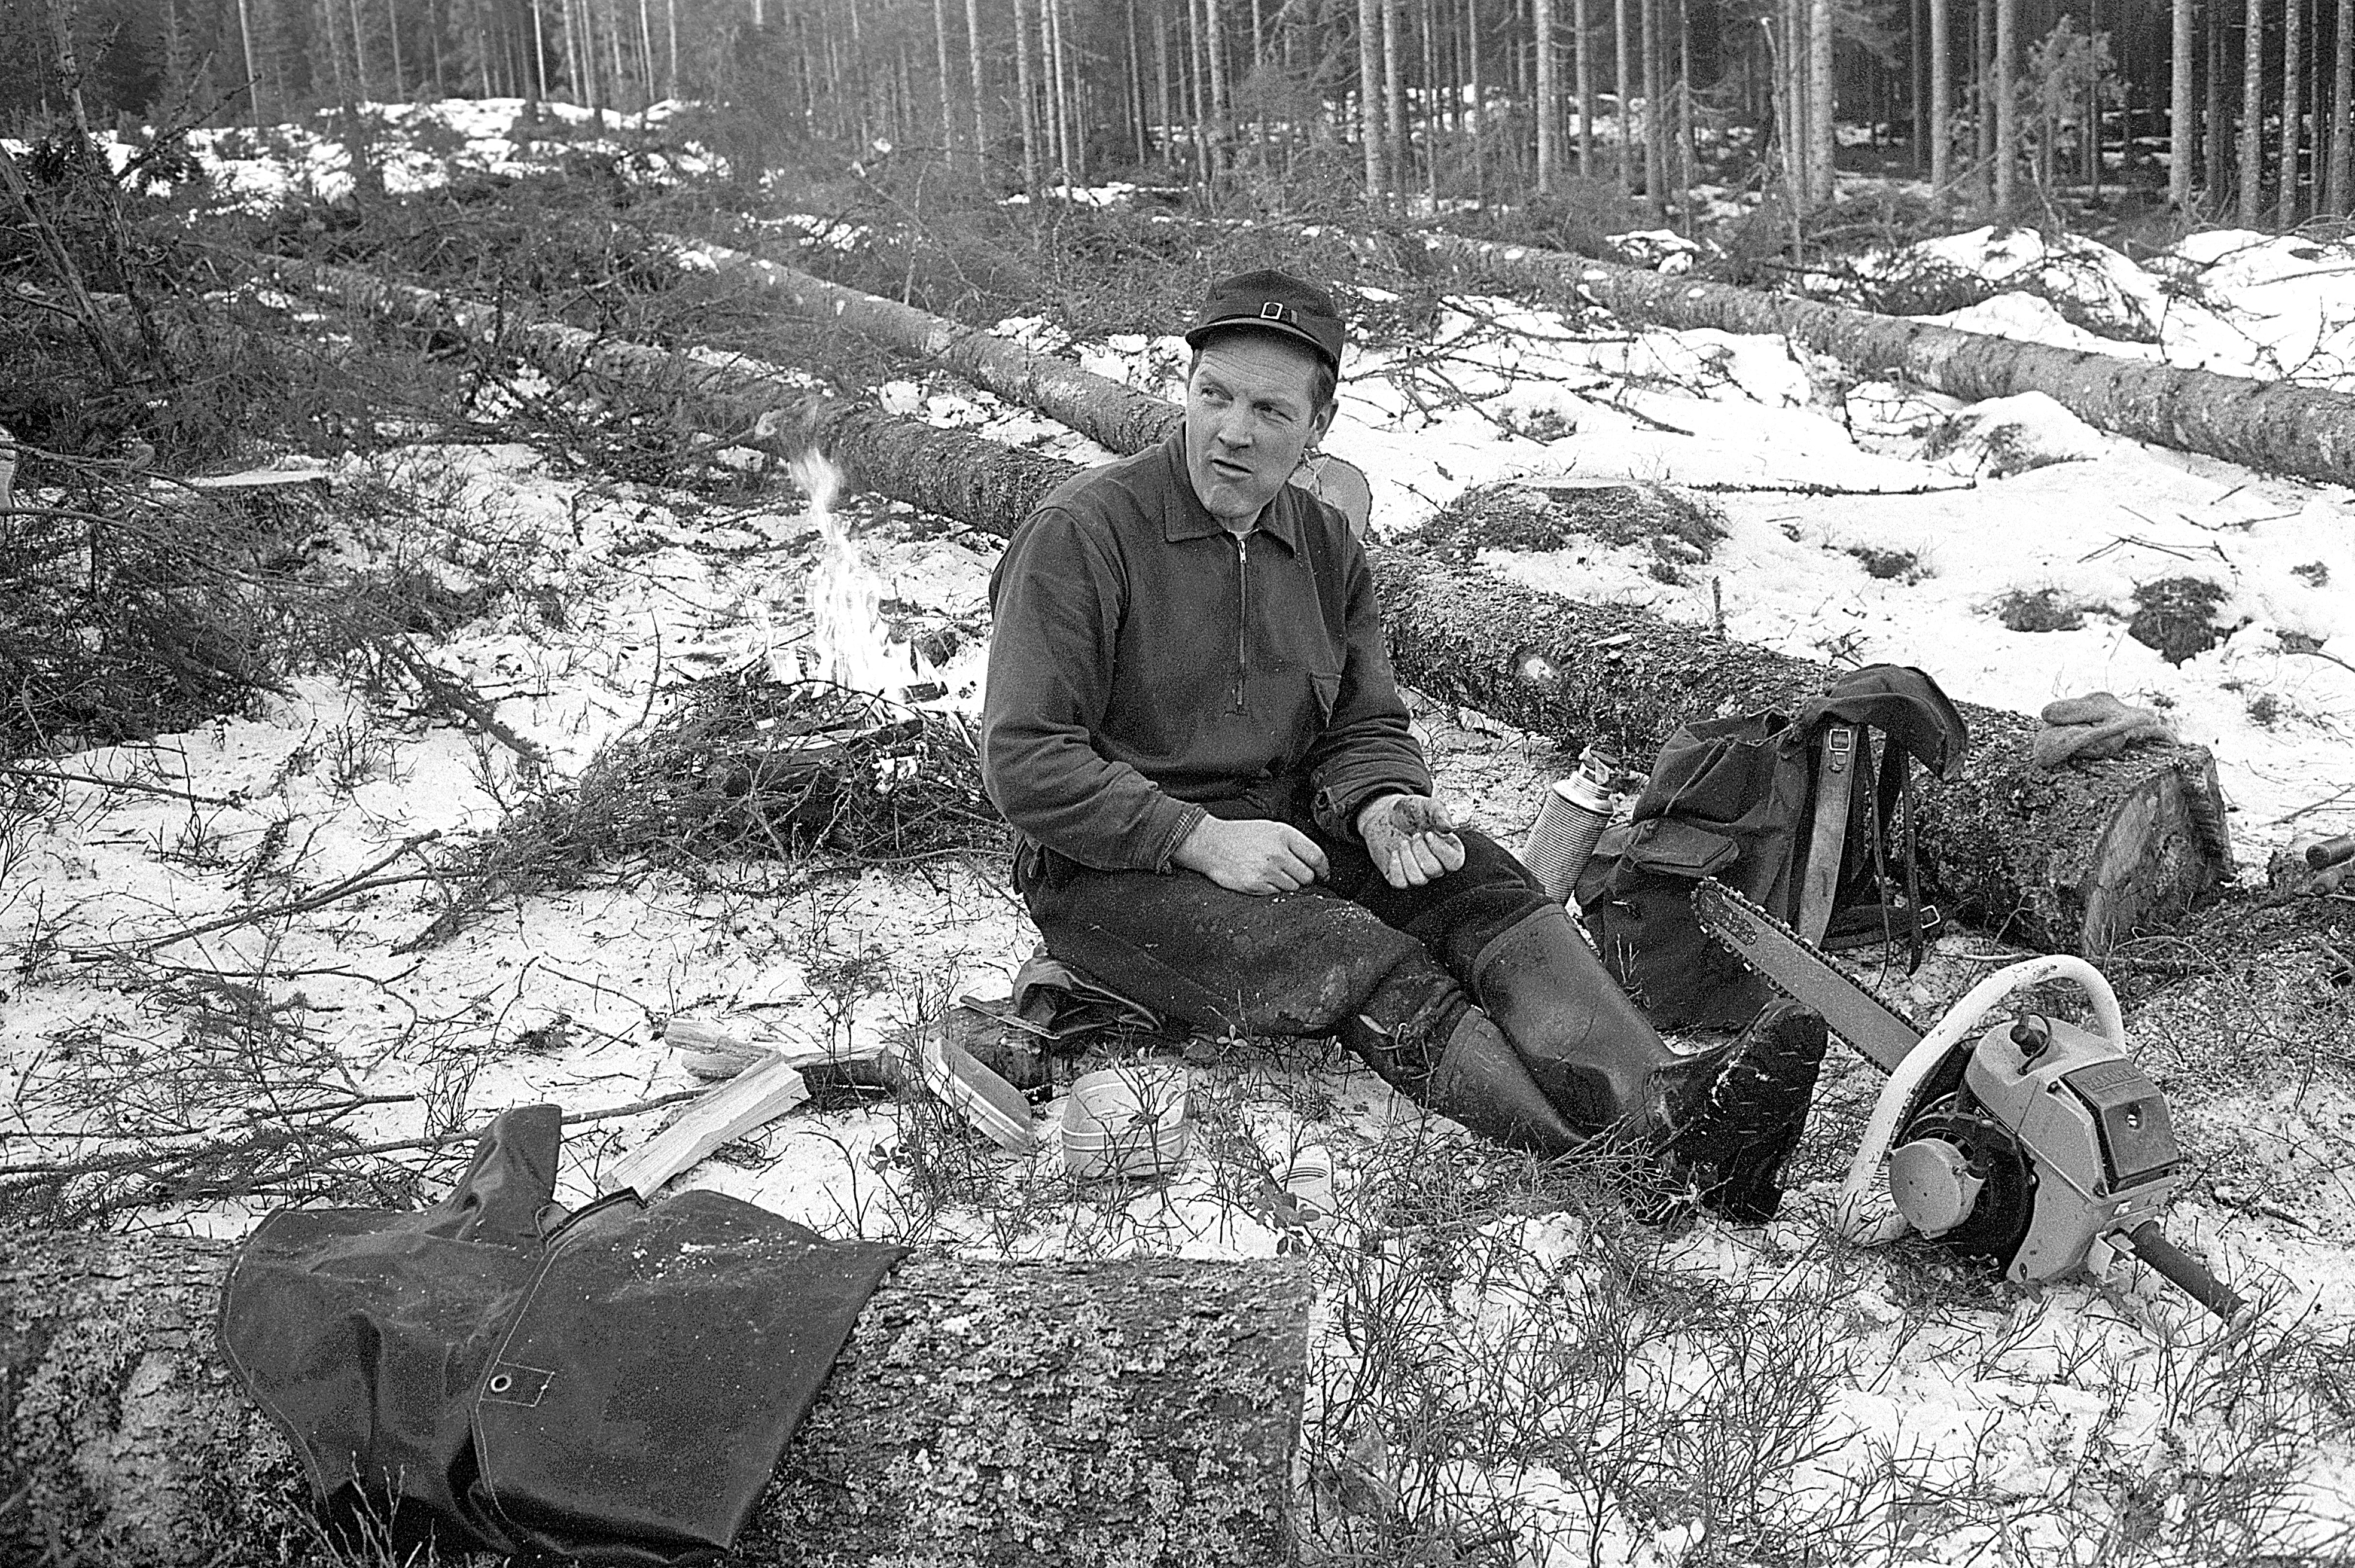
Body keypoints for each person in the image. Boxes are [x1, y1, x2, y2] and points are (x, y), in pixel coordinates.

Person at [979, 269, 1827, 1219]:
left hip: (1286, 833)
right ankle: (1620, 1162)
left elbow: (1362, 723)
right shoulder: (1081, 534)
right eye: (1213, 395)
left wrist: (1382, 800)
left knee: (1479, 879)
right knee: (1349, 947)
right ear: (1185, 390)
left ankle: (1664, 1102)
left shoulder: (1323, 542)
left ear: (1318, 428)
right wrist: (1197, 838)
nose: (1232, 432)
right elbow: (1025, 760)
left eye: (1269, 409)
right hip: (1108, 874)